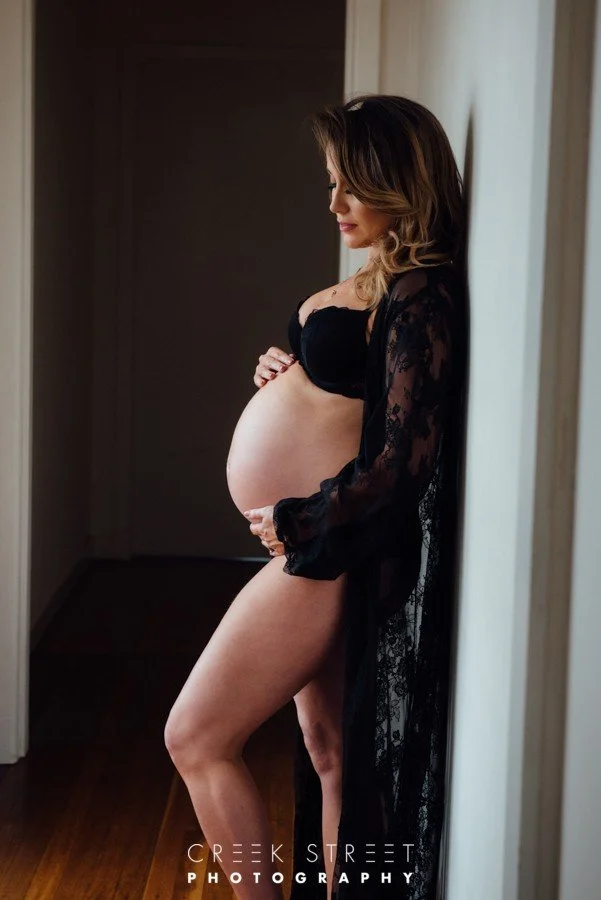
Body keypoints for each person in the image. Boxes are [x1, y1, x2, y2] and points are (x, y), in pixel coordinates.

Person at [165, 94, 467, 900]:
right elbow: (346, 389)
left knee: (194, 736)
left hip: (325, 553)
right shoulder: (383, 278)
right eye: (330, 183)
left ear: (399, 181)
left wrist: (302, 521)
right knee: (330, 752)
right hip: (316, 547)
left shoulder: (423, 295)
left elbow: (401, 460)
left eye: (351, 185)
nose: (334, 202)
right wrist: (285, 367)